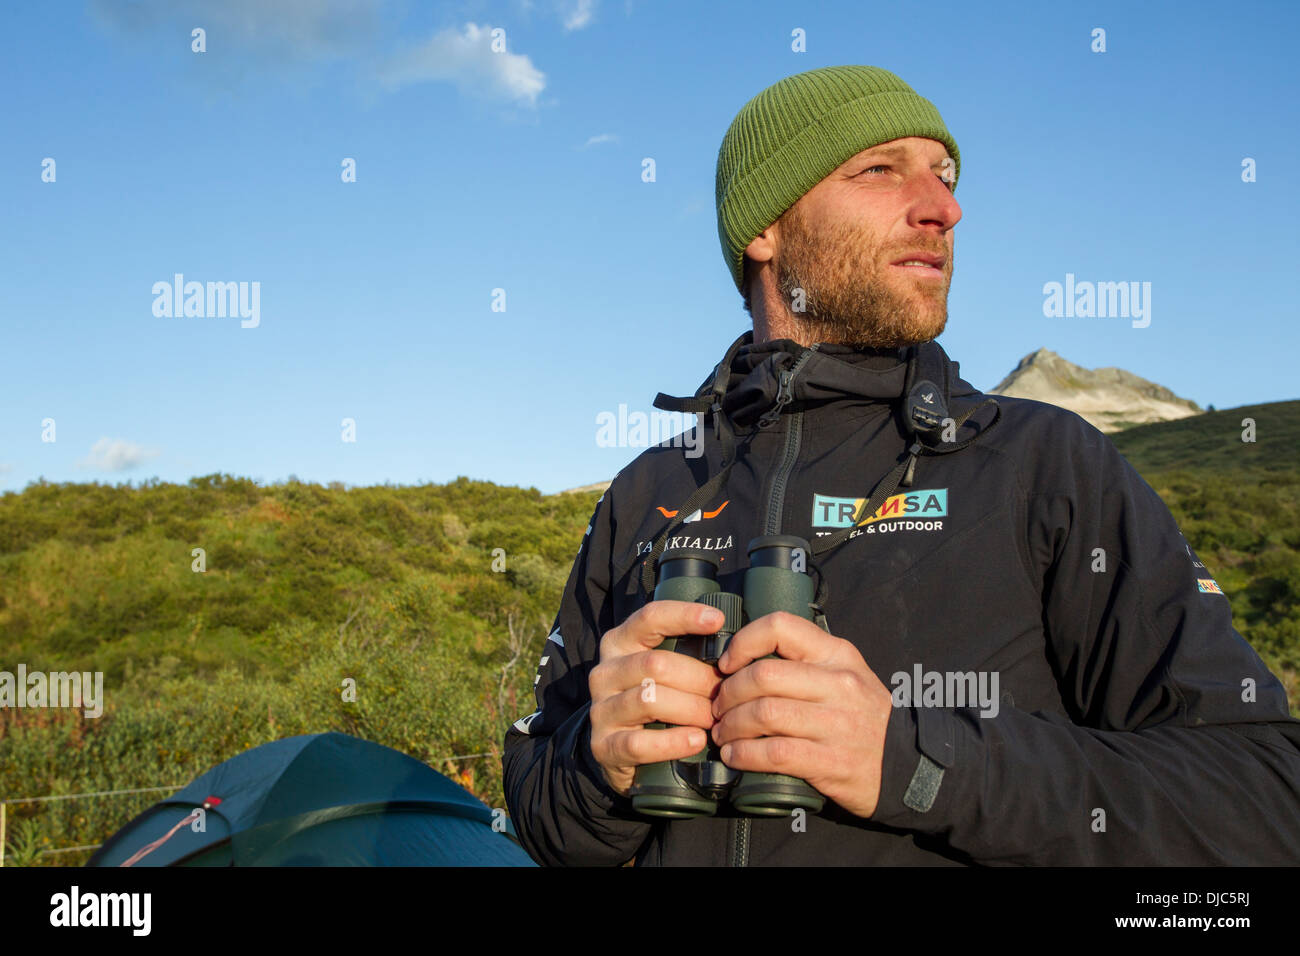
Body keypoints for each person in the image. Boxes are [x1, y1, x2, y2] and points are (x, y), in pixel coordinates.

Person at [502, 64, 1300, 866]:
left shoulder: (1045, 465)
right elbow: (543, 819)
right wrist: (591, 766)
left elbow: (1266, 797)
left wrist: (913, 763)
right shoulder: (652, 488)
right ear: (764, 228)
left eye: (945, 178)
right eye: (882, 170)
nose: (943, 208)